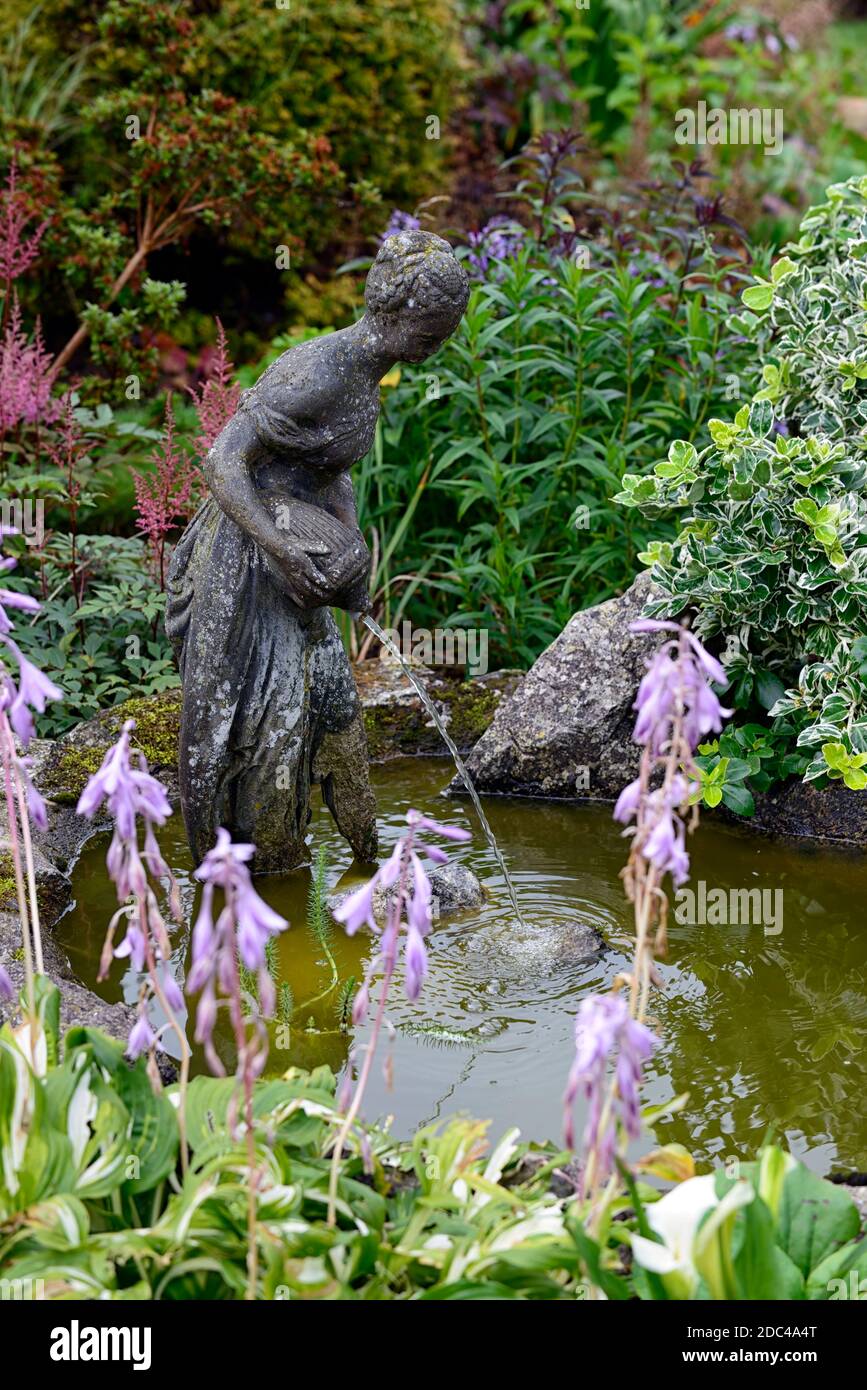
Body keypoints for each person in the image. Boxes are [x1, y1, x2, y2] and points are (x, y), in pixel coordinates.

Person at [166, 230, 470, 871]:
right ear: (392, 312)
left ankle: (370, 870)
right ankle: (250, 898)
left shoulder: (367, 375)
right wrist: (278, 549)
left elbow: (332, 468)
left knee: (337, 719)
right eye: (431, 332)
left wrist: (351, 543)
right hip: (249, 560)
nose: (436, 347)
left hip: (303, 557)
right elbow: (221, 461)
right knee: (263, 734)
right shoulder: (317, 372)